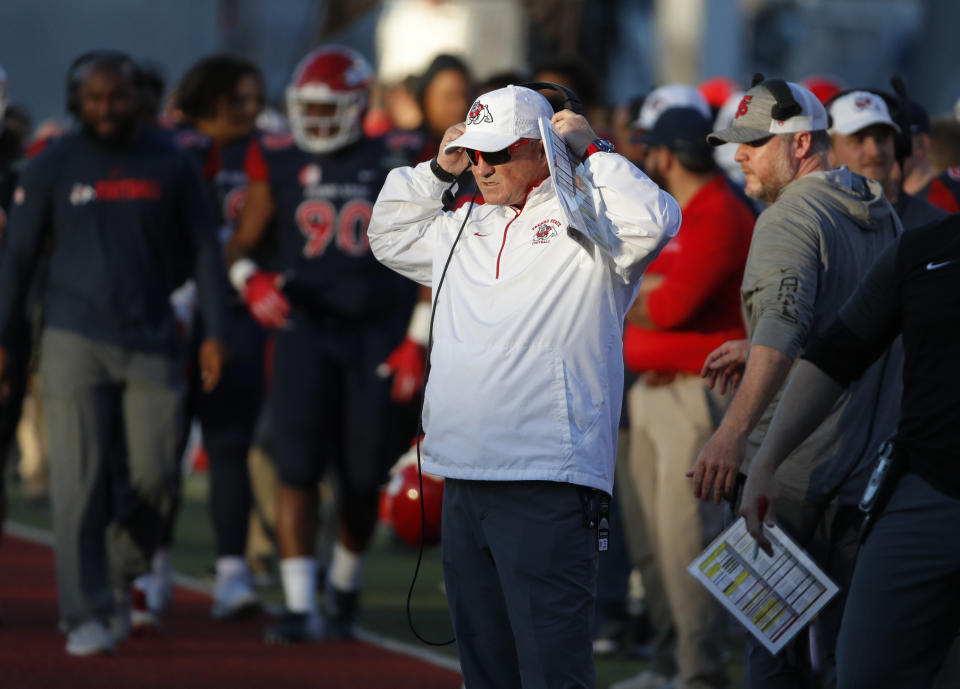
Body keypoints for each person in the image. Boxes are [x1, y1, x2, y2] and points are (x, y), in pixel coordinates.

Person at [368, 84, 681, 689]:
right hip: (463, 477)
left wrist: (592, 149)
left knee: (551, 674)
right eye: (476, 154)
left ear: (542, 146)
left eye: (498, 154)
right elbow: (388, 235)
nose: (482, 166)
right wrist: (437, 170)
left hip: (548, 479)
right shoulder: (462, 224)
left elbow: (654, 219)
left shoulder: (589, 219)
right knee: (485, 673)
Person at [0, 52, 228, 655]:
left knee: (158, 477)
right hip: (72, 338)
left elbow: (206, 250)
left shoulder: (172, 162)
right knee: (80, 482)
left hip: (152, 337)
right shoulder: (50, 166)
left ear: (136, 99)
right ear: (77, 102)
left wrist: (215, 332)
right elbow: (17, 263)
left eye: (117, 97)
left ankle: (120, 570)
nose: (106, 108)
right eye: (94, 98)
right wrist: (5, 342)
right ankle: (83, 612)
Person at [689, 78, 903, 688]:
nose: (740, 156)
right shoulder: (879, 211)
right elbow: (847, 326)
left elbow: (782, 333)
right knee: (848, 659)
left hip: (789, 474)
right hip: (866, 473)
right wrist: (755, 343)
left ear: (801, 141)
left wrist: (732, 435)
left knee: (775, 659)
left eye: (755, 142)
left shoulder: (787, 218)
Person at [225, 45, 422, 644]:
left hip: (378, 334)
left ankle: (344, 583)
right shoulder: (278, 157)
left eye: (327, 110)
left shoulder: (400, 155)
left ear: (359, 105)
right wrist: (249, 278)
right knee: (296, 468)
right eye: (307, 110)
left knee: (363, 476)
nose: (314, 122)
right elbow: (239, 245)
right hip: (304, 331)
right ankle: (299, 603)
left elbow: (431, 261)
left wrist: (418, 340)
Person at [739, 213, 960, 688]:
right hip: (926, 494)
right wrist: (766, 460)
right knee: (864, 670)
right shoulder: (921, 249)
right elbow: (833, 356)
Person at [613, 106, 754, 689]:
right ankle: (670, 663)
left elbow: (672, 307)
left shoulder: (718, 211)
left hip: (699, 396)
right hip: (654, 389)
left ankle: (701, 673)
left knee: (686, 539)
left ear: (666, 155)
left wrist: (626, 290)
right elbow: (657, 298)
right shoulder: (678, 211)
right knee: (651, 541)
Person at [171, 53, 269, 621]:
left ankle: (232, 569)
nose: (252, 109)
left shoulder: (268, 151)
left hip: (235, 310)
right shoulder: (173, 147)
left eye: (256, 97)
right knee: (162, 446)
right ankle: (151, 565)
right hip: (173, 307)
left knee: (229, 441)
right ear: (210, 97)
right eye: (240, 98)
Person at [826, 90, 947, 229]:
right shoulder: (817, 222)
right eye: (858, 140)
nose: (874, 151)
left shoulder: (934, 225)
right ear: (829, 151)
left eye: (882, 138)